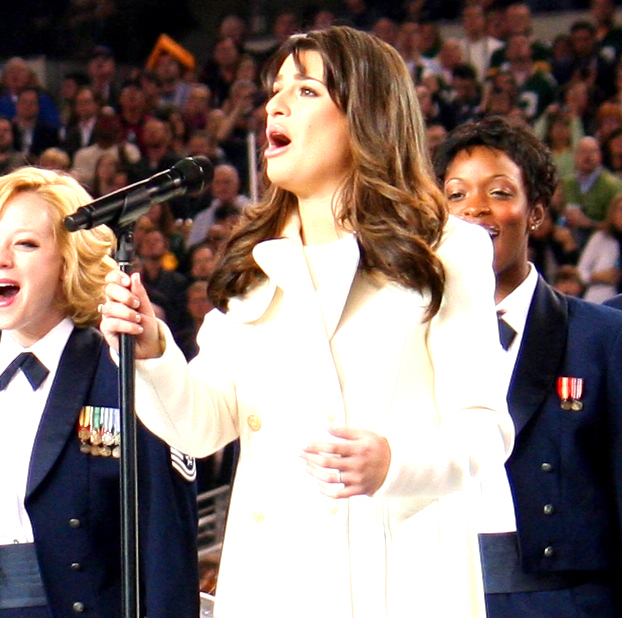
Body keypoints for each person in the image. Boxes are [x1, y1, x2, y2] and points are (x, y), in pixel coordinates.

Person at [100, 26, 513, 618]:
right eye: (274, 90)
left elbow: (484, 431)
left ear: (366, 116)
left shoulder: (446, 249)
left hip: (394, 580)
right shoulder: (255, 262)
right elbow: (203, 425)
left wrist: (393, 463)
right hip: (271, 584)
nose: (276, 103)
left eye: (307, 89)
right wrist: (152, 349)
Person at [434, 115, 622, 618]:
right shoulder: (406, 336)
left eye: (498, 192)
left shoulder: (601, 336)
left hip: (569, 602)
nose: (474, 208)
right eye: (455, 196)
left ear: (535, 212)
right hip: (439, 591)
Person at [0, 167, 199, 618]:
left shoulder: (125, 368)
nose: (2, 259)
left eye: (25, 244)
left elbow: (166, 544)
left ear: (69, 259)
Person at [577, 192, 622, 303]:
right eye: (621, 210)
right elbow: (580, 272)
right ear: (612, 213)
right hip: (600, 301)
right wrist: (597, 276)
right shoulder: (600, 238)